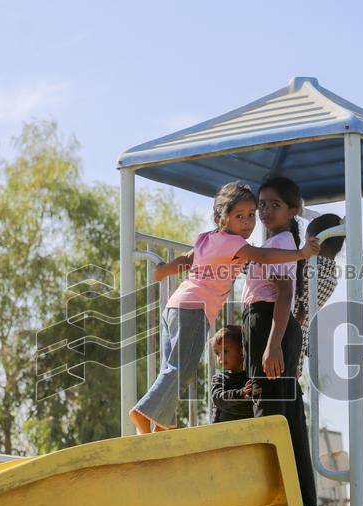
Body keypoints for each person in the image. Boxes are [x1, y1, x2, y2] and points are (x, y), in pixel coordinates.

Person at [129, 182, 319, 435]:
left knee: (170, 367)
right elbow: (263, 256)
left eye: (251, 215)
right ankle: (143, 413)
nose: (248, 222)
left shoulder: (208, 238)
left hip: (175, 305)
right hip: (195, 309)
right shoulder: (233, 243)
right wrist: (301, 253)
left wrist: (162, 271)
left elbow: (188, 259)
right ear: (221, 218)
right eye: (240, 216)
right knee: (181, 369)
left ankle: (162, 422)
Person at [242, 176, 316, 506]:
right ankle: (301, 498)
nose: (265, 211)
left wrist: (272, 344)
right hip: (275, 324)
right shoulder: (278, 242)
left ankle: (275, 498)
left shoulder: (284, 242)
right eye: (262, 205)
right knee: (288, 413)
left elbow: (285, 292)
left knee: (268, 409)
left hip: (271, 322)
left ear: (293, 211)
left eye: (275, 205)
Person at [294, 213, 363, 378]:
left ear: (316, 242)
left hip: (282, 349)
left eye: (306, 241)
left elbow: (266, 270)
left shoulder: (310, 269)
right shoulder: (331, 275)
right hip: (296, 350)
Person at [209, 325, 256, 423]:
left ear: (242, 351)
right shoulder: (219, 378)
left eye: (225, 351)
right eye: (217, 353)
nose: (220, 358)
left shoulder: (252, 377)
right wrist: (240, 394)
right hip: (221, 431)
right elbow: (218, 398)